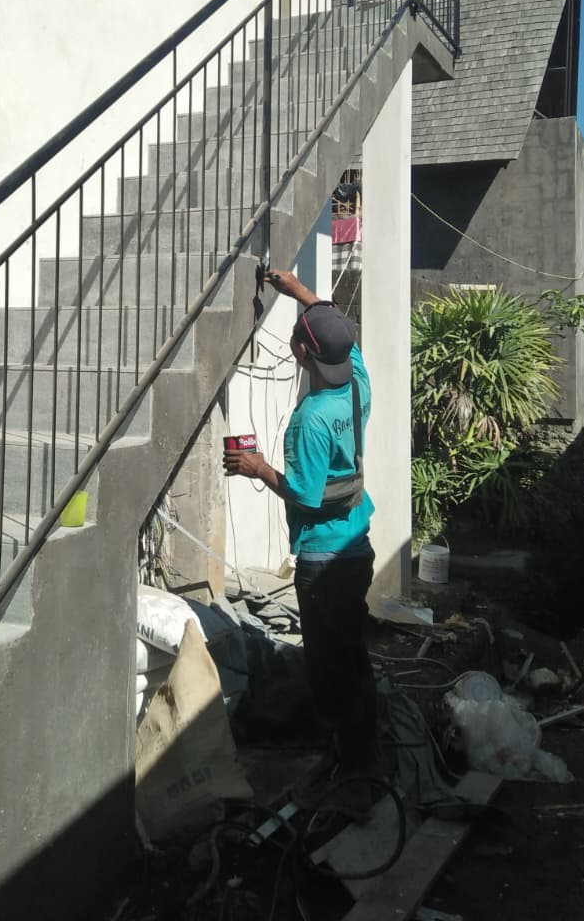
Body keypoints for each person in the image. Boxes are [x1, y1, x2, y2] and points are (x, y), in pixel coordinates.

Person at [222, 268, 381, 816]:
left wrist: (256, 467)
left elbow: (306, 498)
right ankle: (364, 754)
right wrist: (301, 293)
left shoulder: (309, 421)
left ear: (299, 352)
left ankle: (354, 776)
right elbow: (340, 337)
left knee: (332, 673)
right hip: (357, 546)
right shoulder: (356, 381)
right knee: (351, 657)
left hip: (323, 560)